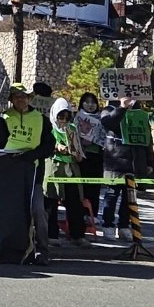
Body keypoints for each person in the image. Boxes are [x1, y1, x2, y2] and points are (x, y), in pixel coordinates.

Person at [0, 83, 55, 264]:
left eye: (24, 96)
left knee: (37, 212)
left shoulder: (41, 119)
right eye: (16, 96)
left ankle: (42, 250)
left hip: (33, 170)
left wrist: (32, 155)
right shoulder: (4, 117)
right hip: (9, 172)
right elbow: (2, 141)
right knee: (9, 211)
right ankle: (9, 248)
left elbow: (49, 146)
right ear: (11, 99)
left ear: (30, 98)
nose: (21, 99)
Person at [43, 98, 88, 246]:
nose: (63, 120)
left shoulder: (72, 128)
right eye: (60, 116)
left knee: (74, 201)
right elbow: (45, 145)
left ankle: (78, 235)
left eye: (67, 117)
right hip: (54, 165)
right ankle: (51, 234)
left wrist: (79, 155)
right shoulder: (48, 127)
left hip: (71, 166)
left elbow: (78, 148)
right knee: (51, 200)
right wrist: (57, 147)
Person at [98, 96, 144, 238]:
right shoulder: (109, 109)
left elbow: (145, 136)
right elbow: (107, 123)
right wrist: (122, 108)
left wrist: (149, 162)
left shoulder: (138, 111)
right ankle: (108, 224)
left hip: (133, 161)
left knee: (129, 196)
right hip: (115, 160)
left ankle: (124, 225)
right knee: (112, 194)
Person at [74, 92, 106, 227]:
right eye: (86, 102)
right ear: (82, 103)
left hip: (96, 156)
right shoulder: (76, 118)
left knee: (95, 187)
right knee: (82, 187)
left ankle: (94, 214)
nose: (90, 105)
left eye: (93, 102)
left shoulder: (101, 118)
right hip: (82, 157)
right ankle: (80, 213)